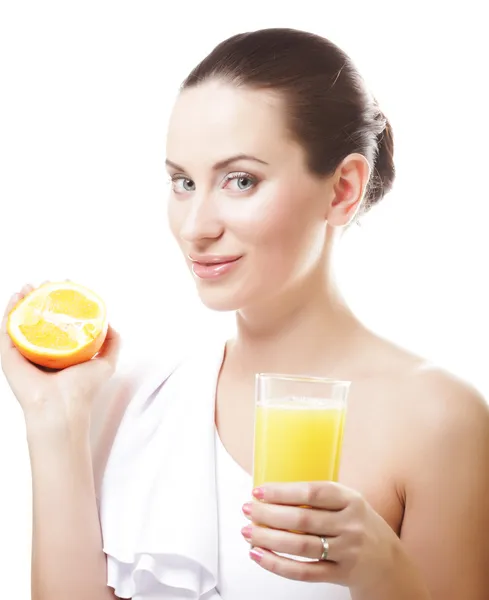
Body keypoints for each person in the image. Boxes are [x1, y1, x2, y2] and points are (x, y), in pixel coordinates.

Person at [1, 27, 488, 600]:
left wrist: (383, 571)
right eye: (183, 182)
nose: (195, 226)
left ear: (342, 190)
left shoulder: (439, 419)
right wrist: (52, 423)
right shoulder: (136, 399)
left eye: (240, 180)